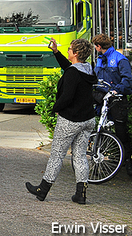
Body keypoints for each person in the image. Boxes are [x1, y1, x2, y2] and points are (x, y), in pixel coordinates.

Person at [26, 38, 97, 204]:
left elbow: (67, 96)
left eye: (70, 49)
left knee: (57, 155)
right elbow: (70, 69)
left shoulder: (74, 72)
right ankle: (81, 194)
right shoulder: (88, 70)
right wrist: (56, 52)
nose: (68, 50)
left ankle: (42, 190)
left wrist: (55, 108)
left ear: (76, 53)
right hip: (87, 120)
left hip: (70, 120)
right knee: (79, 156)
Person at [92, 34, 132, 177]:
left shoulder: (120, 59)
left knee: (121, 132)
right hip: (102, 97)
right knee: (100, 130)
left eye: (95, 47)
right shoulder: (99, 60)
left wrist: (116, 90)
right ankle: (99, 162)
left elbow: (128, 81)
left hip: (117, 99)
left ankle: (127, 162)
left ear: (98, 47)